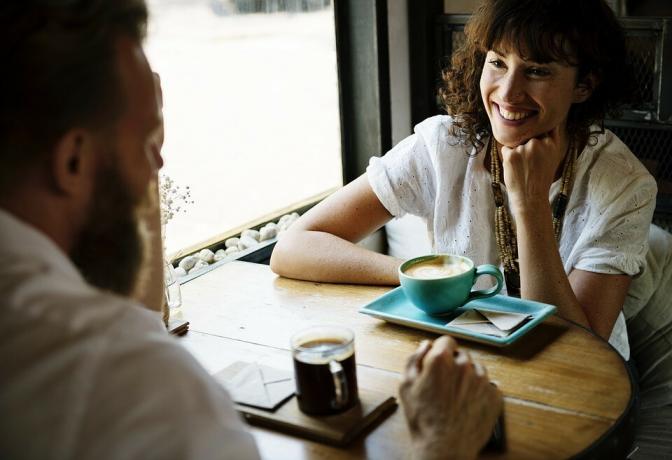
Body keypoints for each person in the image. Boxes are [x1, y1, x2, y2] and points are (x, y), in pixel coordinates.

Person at [0, 1, 501, 459]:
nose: (159, 166)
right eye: (147, 143)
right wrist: (441, 444)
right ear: (72, 161)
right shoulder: (137, 383)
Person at [270, 0, 657, 361]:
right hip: (465, 359)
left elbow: (576, 350)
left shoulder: (625, 185)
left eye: (537, 70)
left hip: (584, 383)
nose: (508, 92)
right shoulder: (444, 145)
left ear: (583, 85)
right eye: (498, 63)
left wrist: (530, 202)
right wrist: (426, 281)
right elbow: (293, 248)